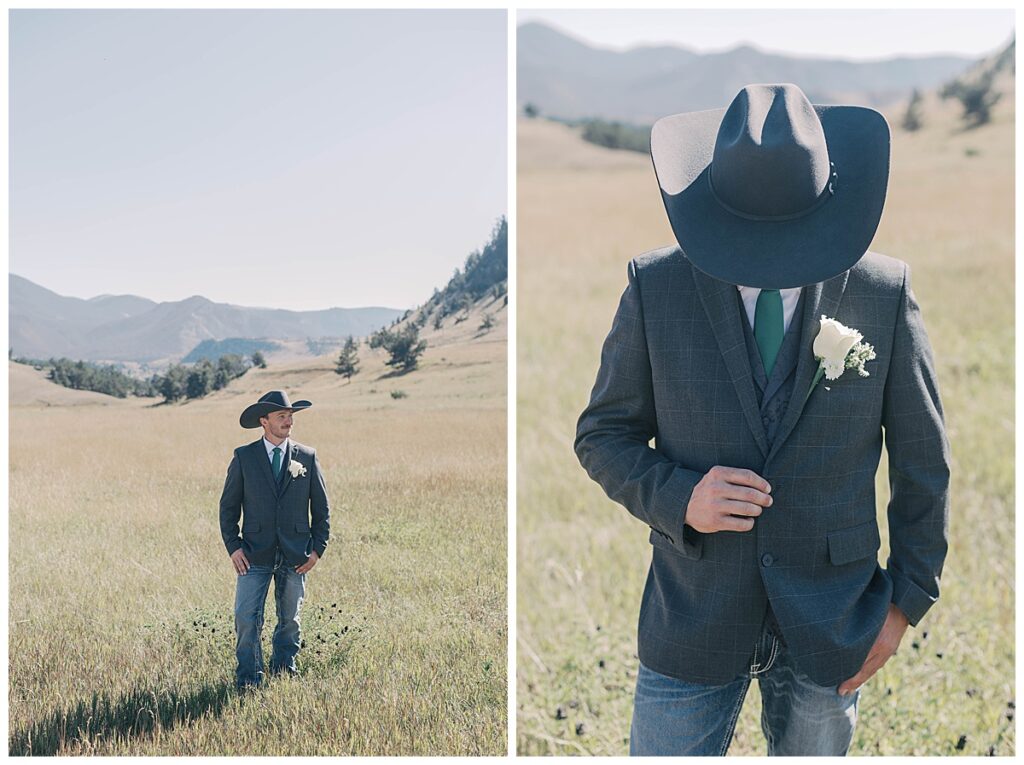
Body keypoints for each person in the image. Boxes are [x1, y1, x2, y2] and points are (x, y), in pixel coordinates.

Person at [574, 83, 949, 756]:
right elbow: (602, 435)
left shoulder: (883, 293)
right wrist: (682, 495)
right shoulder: (654, 289)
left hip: (834, 619)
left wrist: (903, 608)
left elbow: (924, 461)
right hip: (692, 617)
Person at [219, 389, 331, 690]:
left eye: (291, 416)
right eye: (282, 416)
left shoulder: (307, 456)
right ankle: (249, 679)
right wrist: (234, 547)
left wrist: (317, 550)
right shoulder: (244, 457)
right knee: (245, 616)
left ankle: (284, 671)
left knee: (290, 619)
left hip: (296, 554)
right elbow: (228, 508)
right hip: (254, 553)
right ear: (263, 421)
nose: (288, 421)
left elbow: (322, 509)